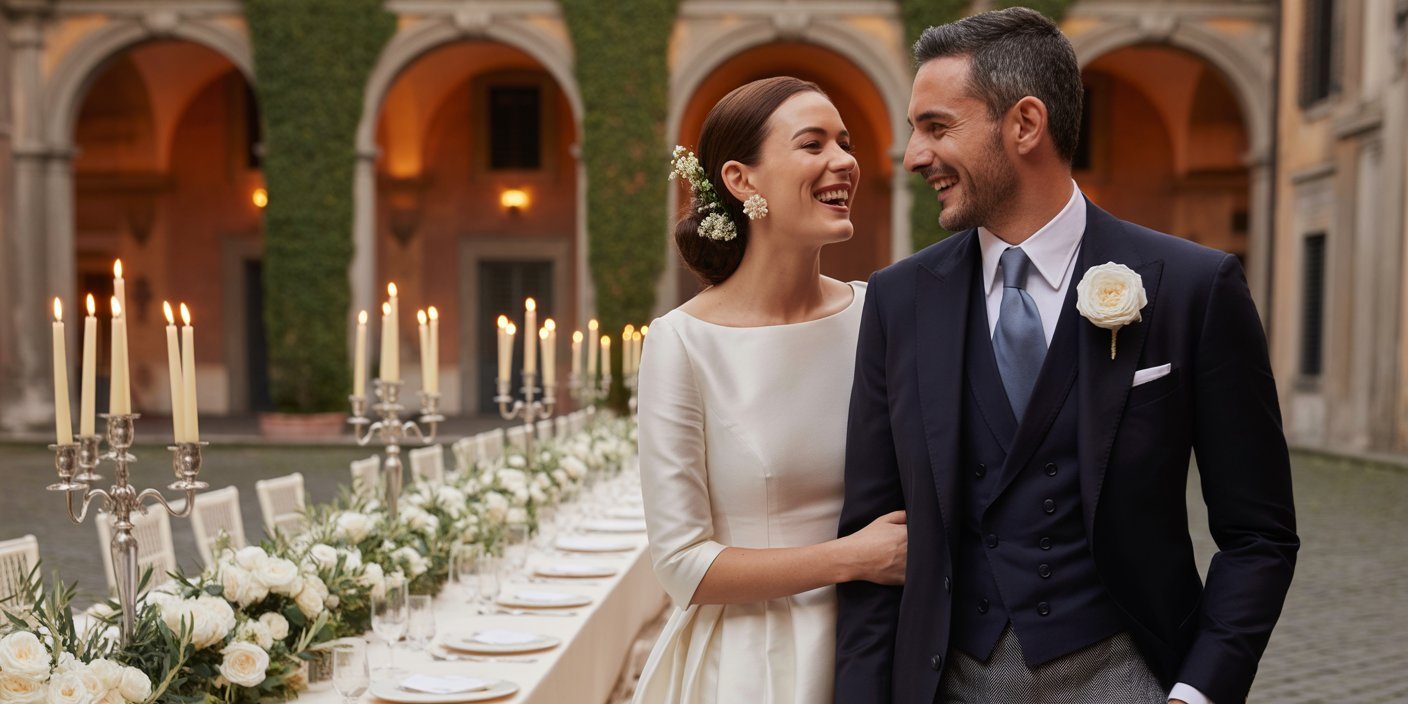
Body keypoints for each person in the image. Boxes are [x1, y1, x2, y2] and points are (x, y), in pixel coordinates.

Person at [834, 8, 1298, 704]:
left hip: (1126, 675)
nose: (913, 156)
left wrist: (1198, 693)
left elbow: (1259, 534)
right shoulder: (899, 302)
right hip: (949, 682)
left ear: (1025, 124)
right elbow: (874, 540)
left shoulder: (1193, 287)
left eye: (936, 127)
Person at [632, 76, 907, 704]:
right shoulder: (681, 342)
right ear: (741, 179)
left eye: (845, 141)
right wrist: (854, 558)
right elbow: (681, 564)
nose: (844, 161)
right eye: (812, 144)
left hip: (886, 648)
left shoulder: (880, 316)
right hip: (754, 664)